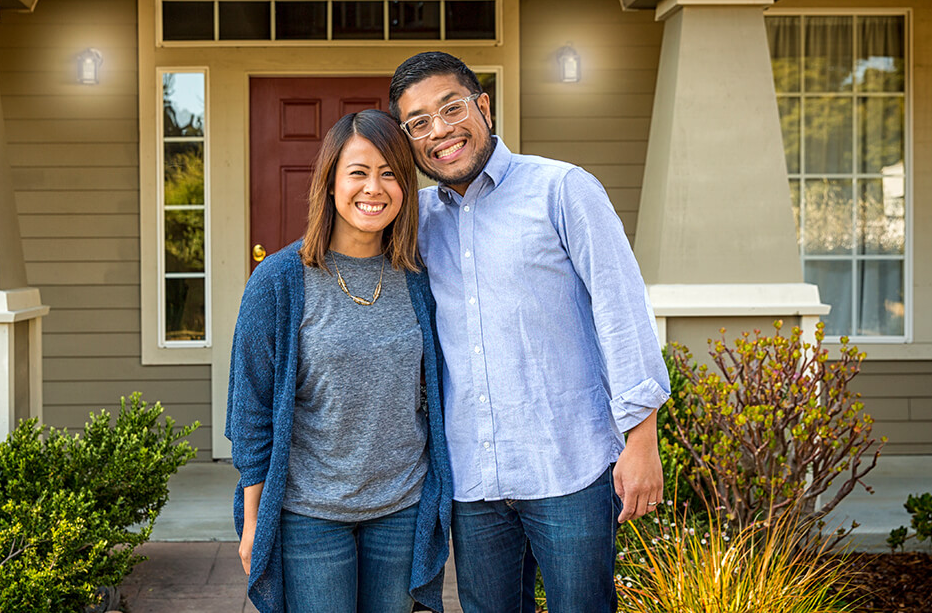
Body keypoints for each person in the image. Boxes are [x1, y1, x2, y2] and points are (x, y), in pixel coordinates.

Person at [388, 51, 670, 613]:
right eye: (419, 123)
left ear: (483, 107)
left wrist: (642, 439)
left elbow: (621, 309)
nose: (440, 131)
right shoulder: (414, 220)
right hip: (472, 480)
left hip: (568, 464)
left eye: (451, 108)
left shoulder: (562, 189)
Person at [225, 109, 452, 613]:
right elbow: (251, 409)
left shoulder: (418, 276)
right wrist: (255, 522)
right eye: (359, 172)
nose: (374, 188)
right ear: (330, 183)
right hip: (309, 515)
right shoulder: (280, 280)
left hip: (401, 508)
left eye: (390, 173)